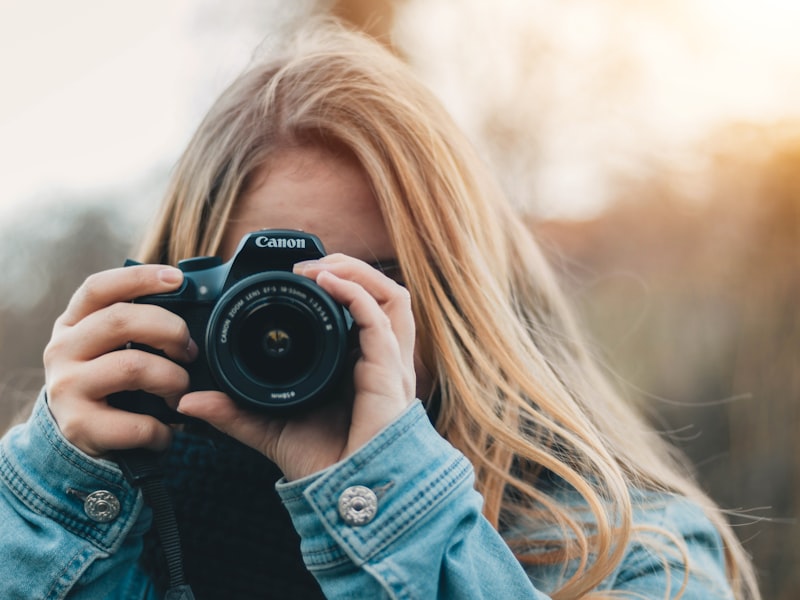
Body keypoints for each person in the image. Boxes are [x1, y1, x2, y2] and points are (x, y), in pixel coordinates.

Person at [0, 19, 760, 600]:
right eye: (271, 285)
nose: (311, 322)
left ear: (461, 301)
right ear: (179, 290)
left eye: (373, 284)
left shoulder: (627, 551)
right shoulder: (96, 508)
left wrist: (392, 507)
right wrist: (51, 503)